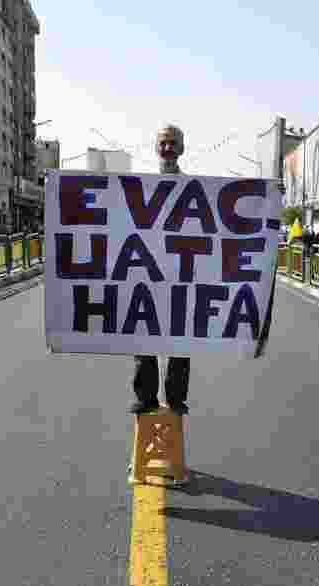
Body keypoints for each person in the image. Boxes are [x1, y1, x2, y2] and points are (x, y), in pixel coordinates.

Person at [132, 125, 192, 416]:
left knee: (181, 337)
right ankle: (146, 398)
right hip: (145, 272)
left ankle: (176, 398)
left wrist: (270, 196)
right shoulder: (140, 185)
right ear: (157, 148)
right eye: (163, 143)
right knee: (143, 335)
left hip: (180, 273)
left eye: (173, 143)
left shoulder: (196, 187)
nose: (168, 148)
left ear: (182, 148)